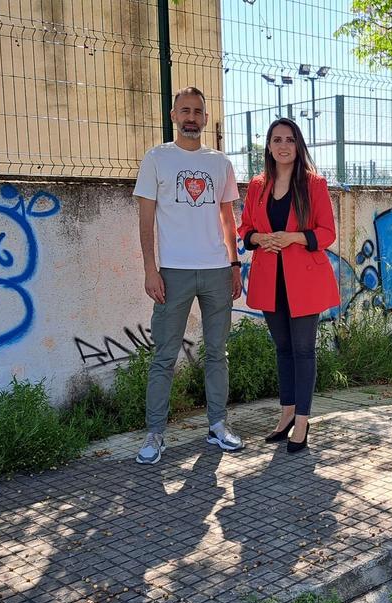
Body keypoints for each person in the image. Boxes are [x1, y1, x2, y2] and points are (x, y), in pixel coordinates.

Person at [133, 86, 244, 465]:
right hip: (174, 272)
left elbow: (228, 219)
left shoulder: (220, 163)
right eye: (185, 110)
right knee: (164, 356)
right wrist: (151, 269)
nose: (192, 117)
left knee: (217, 354)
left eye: (198, 111)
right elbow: (145, 219)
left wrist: (234, 265)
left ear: (206, 118)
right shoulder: (157, 158)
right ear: (173, 116)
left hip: (216, 271)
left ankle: (217, 426)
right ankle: (155, 434)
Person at [238, 118, 339, 453]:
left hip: (304, 281)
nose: (283, 145)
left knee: (303, 350)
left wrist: (294, 237)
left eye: (290, 140)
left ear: (299, 146)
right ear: (268, 146)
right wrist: (259, 238)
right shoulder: (257, 185)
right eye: (277, 139)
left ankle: (303, 422)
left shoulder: (314, 184)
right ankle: (285, 416)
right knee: (283, 351)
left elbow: (327, 233)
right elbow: (246, 229)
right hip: (271, 280)